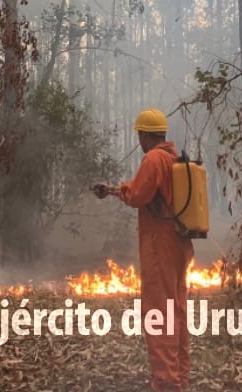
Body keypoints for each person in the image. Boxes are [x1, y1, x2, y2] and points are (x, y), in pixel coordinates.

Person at [94, 109, 194, 392]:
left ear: (146, 135)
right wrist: (114, 190)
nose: (139, 140)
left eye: (139, 135)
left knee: (159, 315)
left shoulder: (153, 159)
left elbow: (138, 195)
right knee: (177, 312)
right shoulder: (174, 158)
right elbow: (147, 192)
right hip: (179, 245)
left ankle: (166, 384)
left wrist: (120, 191)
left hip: (159, 247)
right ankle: (180, 379)